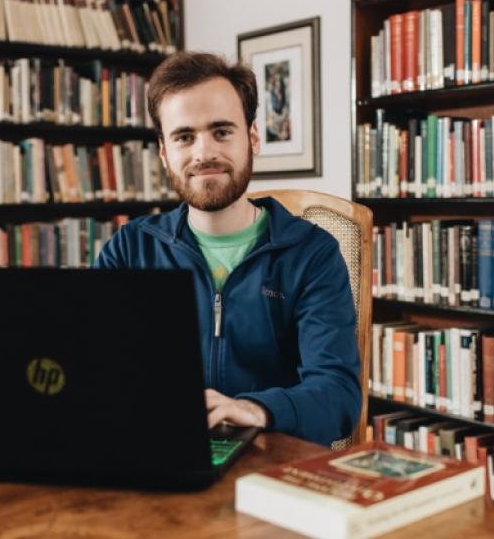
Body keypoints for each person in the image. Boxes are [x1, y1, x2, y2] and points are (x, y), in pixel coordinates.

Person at [94, 52, 360, 446]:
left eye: (221, 132)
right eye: (184, 137)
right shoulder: (130, 250)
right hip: (161, 454)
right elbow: (97, 370)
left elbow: (339, 395)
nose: (203, 154)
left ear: (252, 138)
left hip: (271, 462)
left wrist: (254, 411)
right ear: (165, 153)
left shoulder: (313, 254)